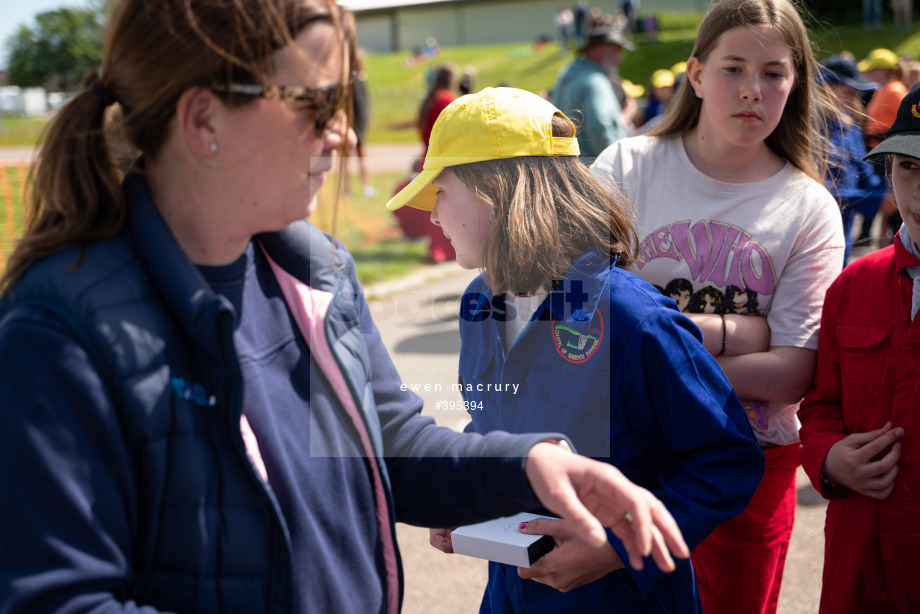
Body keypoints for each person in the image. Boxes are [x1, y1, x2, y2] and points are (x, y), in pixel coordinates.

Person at [0, 1, 692, 612]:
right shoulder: (59, 334)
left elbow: (385, 447)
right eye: (317, 105)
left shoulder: (318, 270)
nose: (345, 136)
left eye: (346, 103)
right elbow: (58, 596)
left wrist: (528, 467)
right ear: (204, 118)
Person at [386, 87, 764, 613]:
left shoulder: (634, 319)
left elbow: (726, 459)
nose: (432, 214)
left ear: (492, 188)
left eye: (441, 191)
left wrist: (617, 548)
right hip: (512, 595)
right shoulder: (479, 301)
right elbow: (493, 423)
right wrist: (465, 488)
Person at [590, 0, 846, 612]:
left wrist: (655, 360)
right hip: (626, 455)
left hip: (748, 471)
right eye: (733, 68)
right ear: (696, 74)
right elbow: (583, 323)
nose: (753, 90)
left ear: (796, 84)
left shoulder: (809, 209)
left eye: (774, 73)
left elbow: (793, 374)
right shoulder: (625, 168)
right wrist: (741, 331)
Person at [798, 81, 920, 613]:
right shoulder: (854, 285)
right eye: (909, 168)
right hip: (862, 559)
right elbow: (820, 406)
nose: (918, 192)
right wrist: (828, 457)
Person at [818, 55, 890, 264]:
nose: (854, 97)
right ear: (824, 88)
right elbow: (819, 189)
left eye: (855, 91)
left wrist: (892, 191)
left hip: (844, 233)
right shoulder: (806, 131)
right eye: (847, 90)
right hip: (814, 233)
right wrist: (876, 201)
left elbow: (864, 171)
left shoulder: (849, 127)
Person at [552, 14, 635, 162]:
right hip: (594, 174)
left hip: (568, 170)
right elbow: (599, 128)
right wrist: (618, 164)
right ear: (602, 51)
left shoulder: (565, 77)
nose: (620, 59)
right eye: (618, 52)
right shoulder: (595, 82)